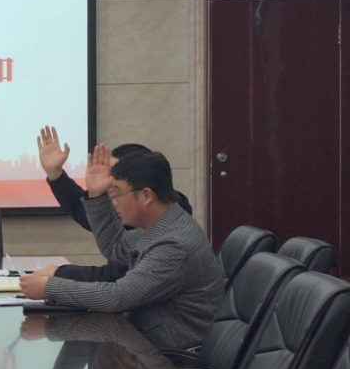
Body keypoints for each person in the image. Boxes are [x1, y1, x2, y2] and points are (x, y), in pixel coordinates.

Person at [19, 145, 225, 349]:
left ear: (145, 196)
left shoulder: (173, 245)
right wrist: (96, 195)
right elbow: (116, 246)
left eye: (117, 194)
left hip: (170, 357)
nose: (114, 203)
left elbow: (118, 297)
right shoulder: (161, 224)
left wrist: (50, 287)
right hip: (143, 343)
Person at [36, 125, 193, 282]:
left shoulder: (165, 230)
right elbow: (94, 220)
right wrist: (55, 174)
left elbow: (117, 283)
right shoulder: (152, 208)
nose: (108, 184)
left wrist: (58, 275)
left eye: (115, 180)